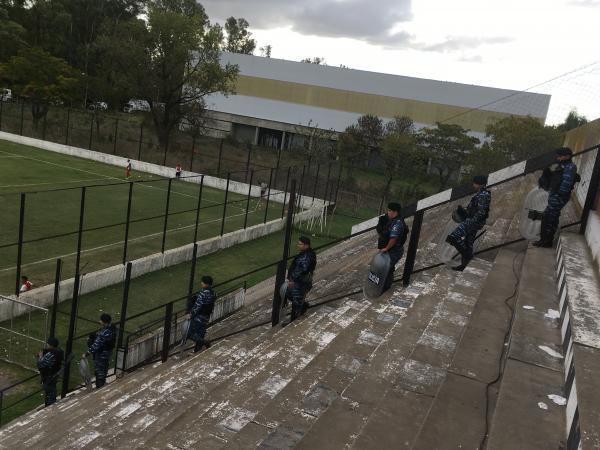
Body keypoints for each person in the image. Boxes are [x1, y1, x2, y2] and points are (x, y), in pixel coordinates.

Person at [533, 147, 579, 248]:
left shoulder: (570, 167)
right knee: (550, 217)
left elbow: (566, 183)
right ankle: (545, 240)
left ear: (567, 156)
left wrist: (558, 195)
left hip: (559, 196)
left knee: (549, 217)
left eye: (560, 155)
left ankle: (546, 241)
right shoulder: (561, 165)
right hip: (554, 194)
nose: (558, 157)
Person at [446, 175, 491, 271]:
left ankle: (467, 255)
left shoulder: (483, 195)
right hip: (473, 221)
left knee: (453, 237)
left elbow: (481, 212)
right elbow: (475, 209)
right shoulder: (481, 193)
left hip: (473, 222)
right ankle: (463, 265)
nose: (473, 184)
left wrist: (469, 222)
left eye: (475, 182)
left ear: (480, 184)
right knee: (468, 242)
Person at [376, 202, 409, 291]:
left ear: (395, 212)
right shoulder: (393, 220)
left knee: (385, 269)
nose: (388, 212)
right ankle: (384, 286)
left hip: (394, 251)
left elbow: (393, 239)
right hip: (391, 250)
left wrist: (386, 248)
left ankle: (385, 288)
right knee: (388, 269)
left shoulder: (397, 223)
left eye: (390, 211)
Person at [285, 236, 317, 324]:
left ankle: (293, 321)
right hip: (301, 281)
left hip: (301, 282)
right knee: (288, 294)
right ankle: (302, 306)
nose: (298, 245)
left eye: (300, 244)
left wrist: (292, 280)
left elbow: (301, 269)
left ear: (306, 245)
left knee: (296, 299)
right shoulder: (306, 253)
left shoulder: (307, 256)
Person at [83, 313, 116, 389]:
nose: (99, 321)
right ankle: (101, 384)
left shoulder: (104, 333)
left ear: (104, 322)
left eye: (101, 320)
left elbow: (96, 345)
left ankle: (99, 388)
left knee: (99, 371)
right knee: (104, 368)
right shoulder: (112, 328)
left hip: (102, 354)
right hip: (108, 352)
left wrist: (87, 353)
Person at [188, 276, 216, 352]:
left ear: (206, 284)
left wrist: (191, 314)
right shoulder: (213, 293)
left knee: (189, 333)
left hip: (199, 317)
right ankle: (197, 350)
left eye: (202, 282)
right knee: (200, 333)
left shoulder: (203, 293)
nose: (201, 283)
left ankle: (205, 343)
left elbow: (198, 305)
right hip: (206, 316)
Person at [37, 337, 64, 407]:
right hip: (54, 375)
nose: (47, 345)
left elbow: (40, 364)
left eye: (48, 344)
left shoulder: (51, 354)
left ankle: (49, 408)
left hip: (49, 377)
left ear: (51, 345)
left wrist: (40, 357)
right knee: (52, 392)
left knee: (50, 394)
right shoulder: (58, 351)